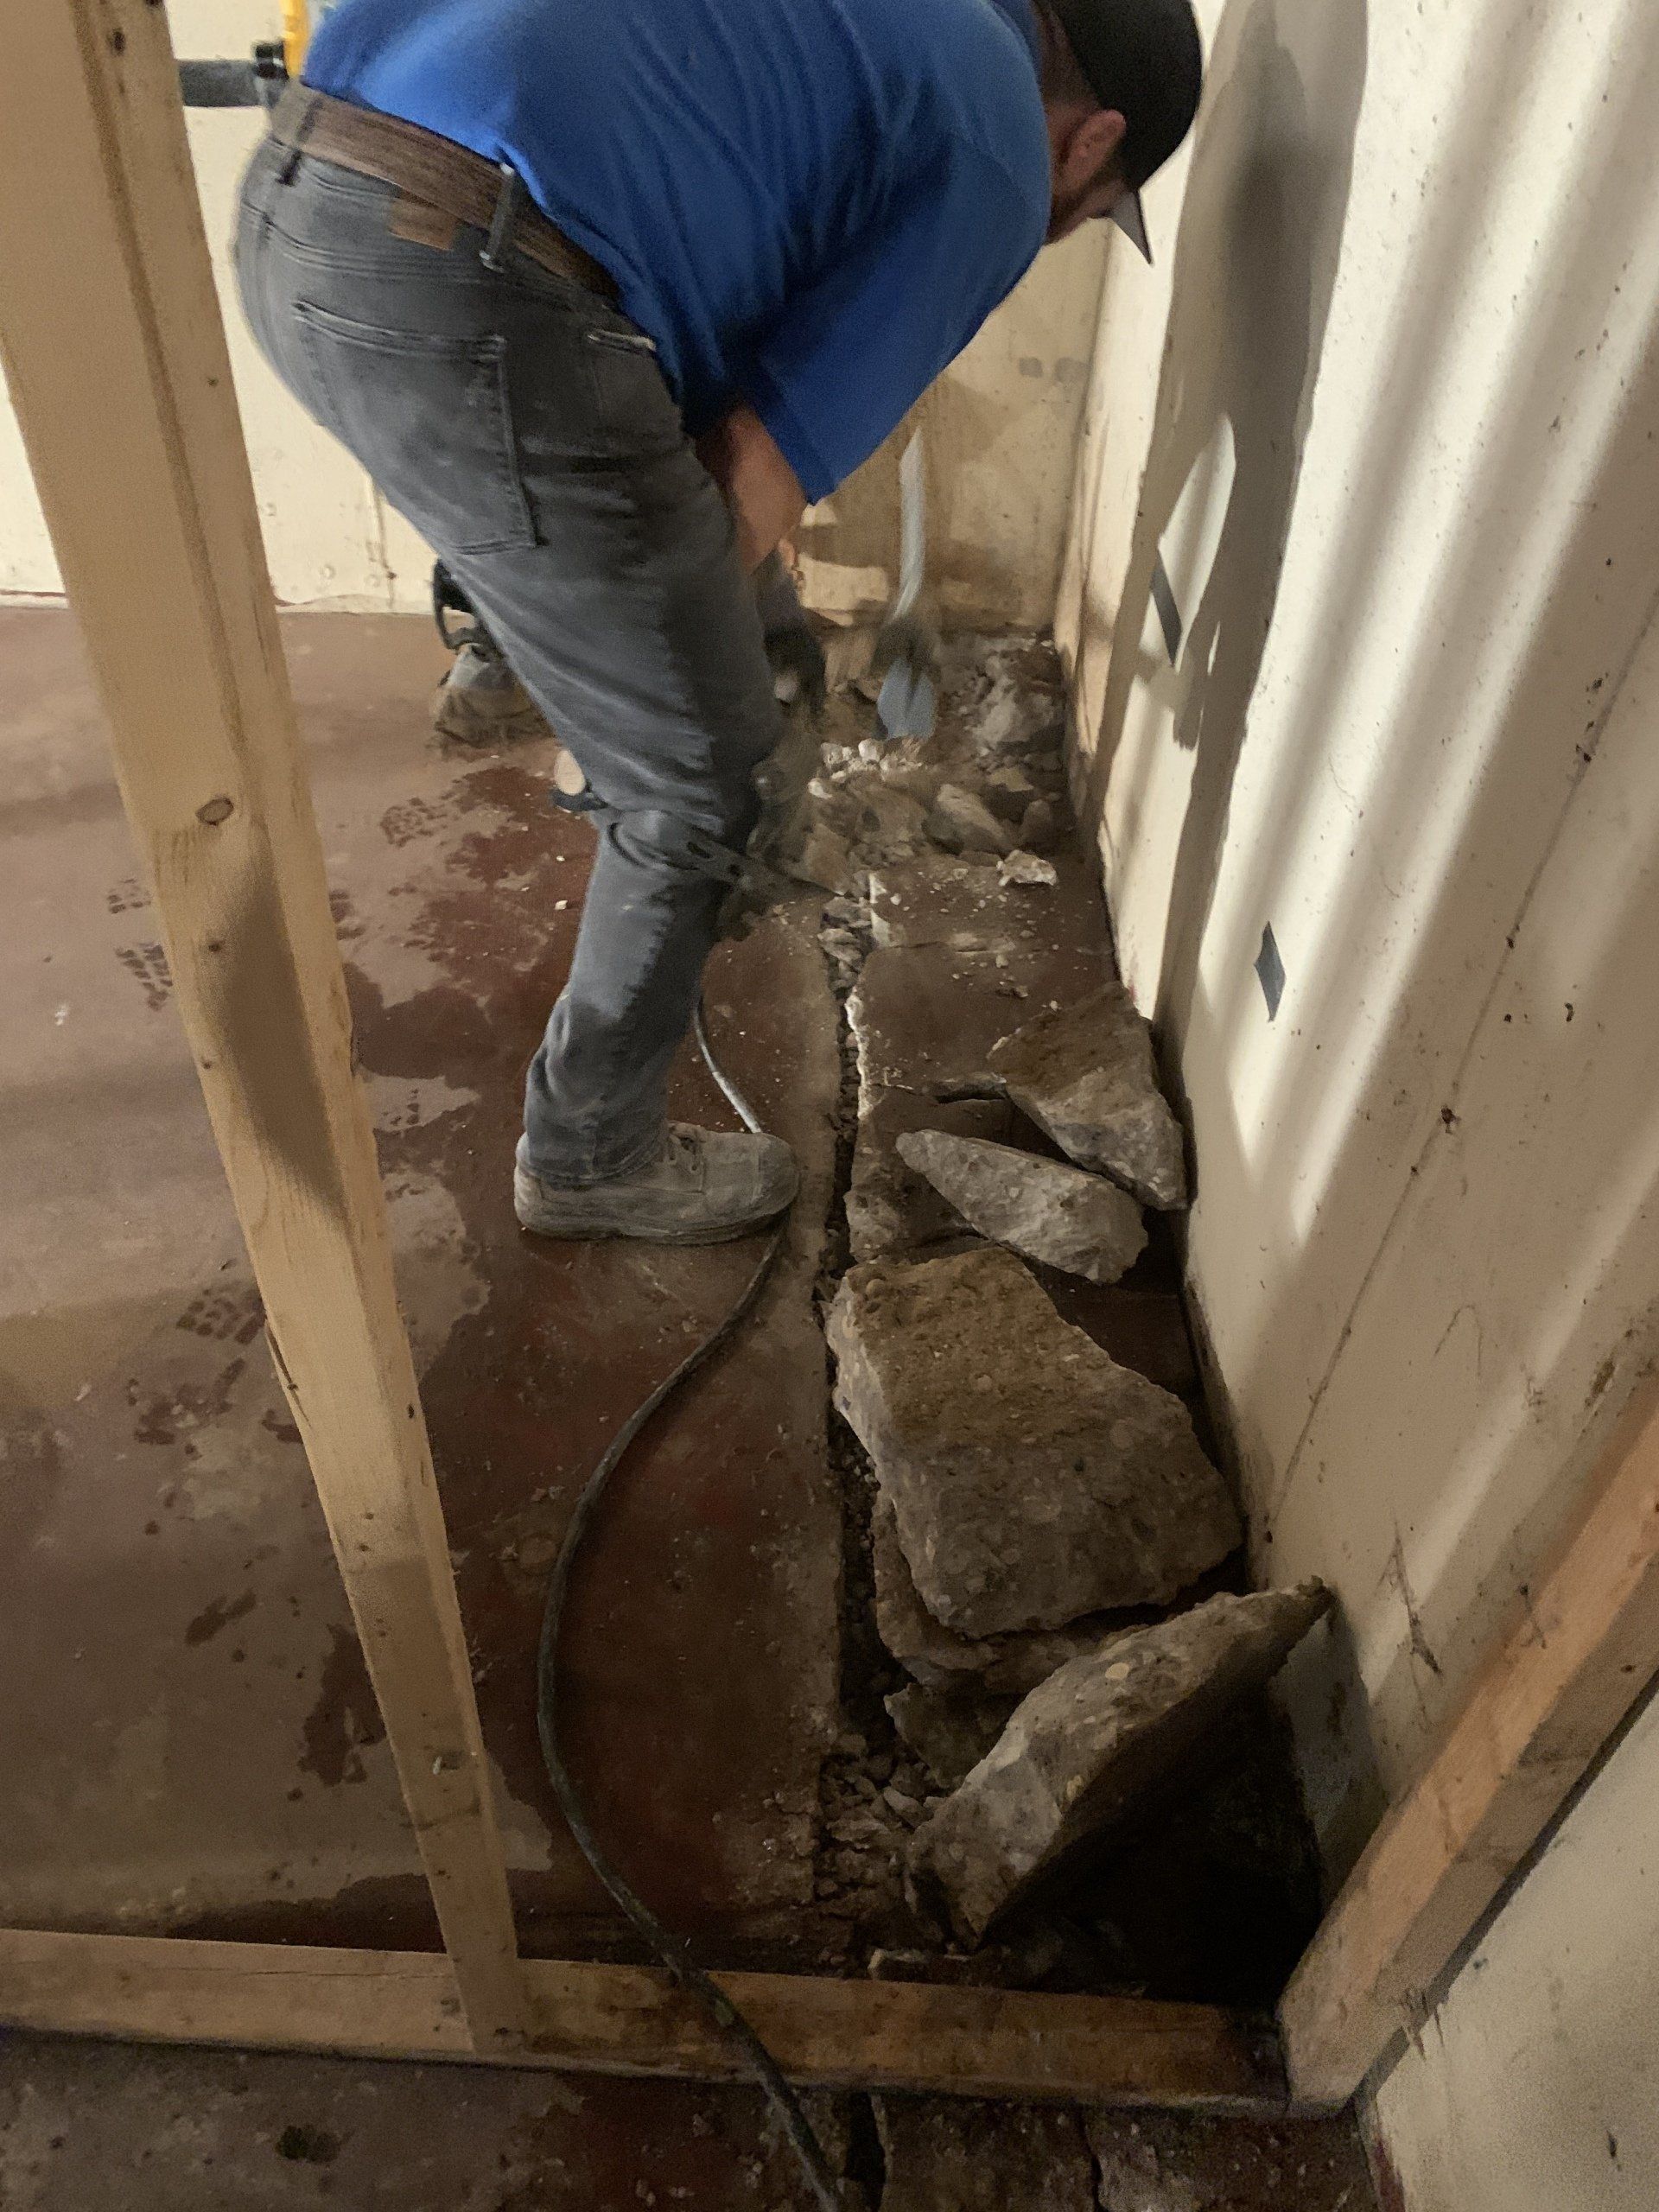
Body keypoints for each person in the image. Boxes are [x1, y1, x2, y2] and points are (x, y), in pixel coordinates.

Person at [235, 0, 1201, 1244]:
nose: (1064, 228)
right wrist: (720, 776)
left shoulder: (886, 35)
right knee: (704, 779)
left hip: (298, 202)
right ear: (1093, 141)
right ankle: (590, 1153)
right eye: (1091, 206)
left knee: (610, 536)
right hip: (466, 295)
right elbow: (745, 489)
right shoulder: (1002, 147)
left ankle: (504, 659)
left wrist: (708, 629)